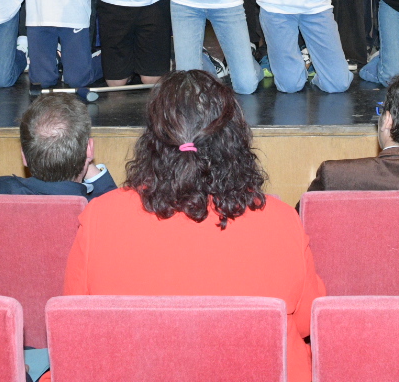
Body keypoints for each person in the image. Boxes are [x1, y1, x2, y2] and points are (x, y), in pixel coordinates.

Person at [64, 71, 326, 382]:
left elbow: (75, 322)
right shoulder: (281, 220)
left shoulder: (100, 217)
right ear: (234, 141)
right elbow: (308, 320)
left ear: (152, 141)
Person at [0, 93, 118, 196]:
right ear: (89, 150)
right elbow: (115, 207)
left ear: (24, 156)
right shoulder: (101, 212)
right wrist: (88, 161)